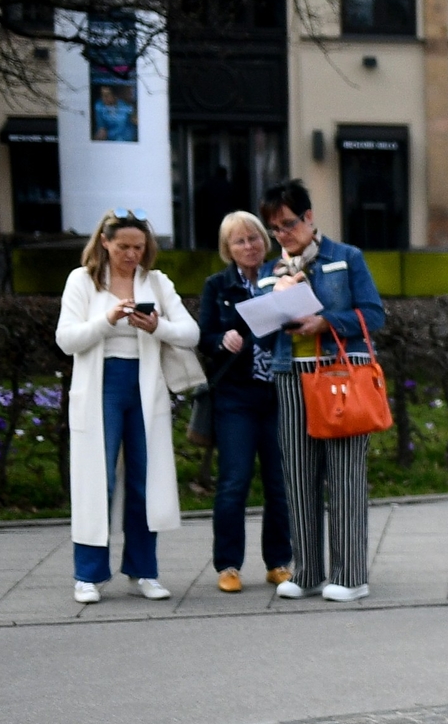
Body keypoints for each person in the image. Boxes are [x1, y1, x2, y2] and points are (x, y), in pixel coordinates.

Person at [56, 210, 199, 604]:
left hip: (144, 386)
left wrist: (158, 327)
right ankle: (88, 574)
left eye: (139, 247)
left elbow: (190, 332)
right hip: (101, 385)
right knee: (96, 479)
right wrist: (107, 319)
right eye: (123, 247)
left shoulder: (156, 281)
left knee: (144, 479)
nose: (132, 255)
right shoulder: (82, 280)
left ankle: (144, 570)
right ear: (105, 242)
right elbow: (66, 340)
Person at [259, 178, 385, 603]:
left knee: (346, 476)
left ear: (310, 217)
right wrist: (269, 309)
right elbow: (260, 332)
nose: (283, 234)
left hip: (337, 376)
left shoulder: (345, 258)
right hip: (290, 375)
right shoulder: (269, 271)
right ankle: (309, 570)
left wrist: (327, 322)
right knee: (297, 475)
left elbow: (373, 314)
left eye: (290, 223)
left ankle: (351, 575)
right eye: (274, 228)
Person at [195, 209, 292, 594]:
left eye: (253, 238)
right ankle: (228, 565)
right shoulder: (217, 286)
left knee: (280, 482)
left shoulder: (279, 278)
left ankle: (279, 562)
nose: (249, 246)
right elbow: (203, 335)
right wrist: (222, 340)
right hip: (235, 395)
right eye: (239, 241)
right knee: (234, 481)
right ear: (227, 248)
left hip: (278, 393)